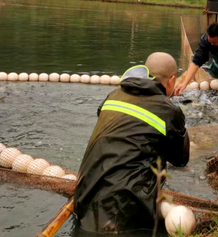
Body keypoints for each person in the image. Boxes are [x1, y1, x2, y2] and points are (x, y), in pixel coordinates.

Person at [74, 52, 190, 234]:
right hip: (127, 214)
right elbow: (180, 159)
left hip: (83, 201)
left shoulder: (113, 96)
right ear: (171, 80)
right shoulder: (169, 110)